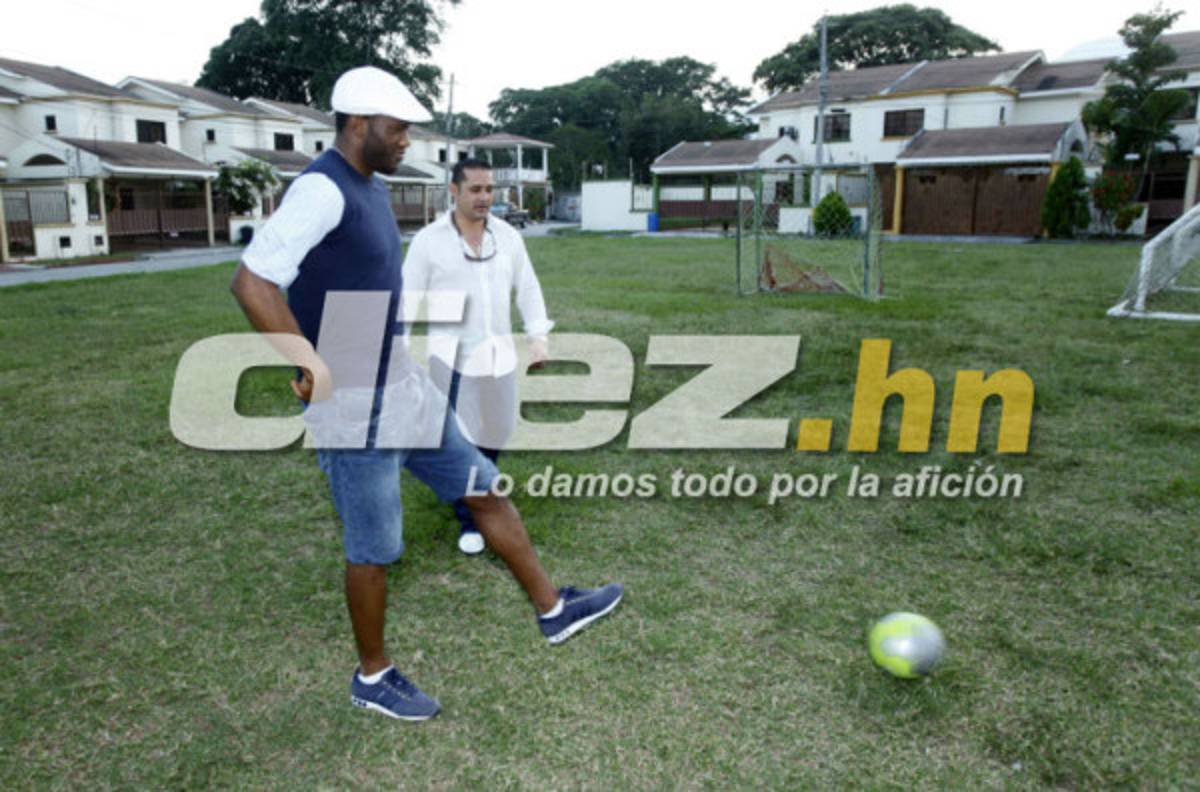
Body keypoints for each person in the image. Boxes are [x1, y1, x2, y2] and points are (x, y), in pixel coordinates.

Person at [228, 66, 622, 722]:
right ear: (359, 124)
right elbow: (253, 283)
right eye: (397, 127)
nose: (407, 138)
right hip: (353, 401)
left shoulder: (370, 186)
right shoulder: (322, 190)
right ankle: (372, 675)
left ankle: (554, 609)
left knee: (483, 484)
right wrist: (310, 365)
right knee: (374, 545)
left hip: (398, 378)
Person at [403, 157, 551, 556]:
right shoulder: (428, 241)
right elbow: (407, 301)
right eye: (476, 190)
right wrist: (398, 354)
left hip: (498, 356)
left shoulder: (507, 237)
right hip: (451, 360)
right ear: (454, 191)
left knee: (498, 429)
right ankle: (472, 518)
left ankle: (480, 491)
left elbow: (528, 287)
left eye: (489, 190)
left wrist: (538, 335)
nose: (484, 197)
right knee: (463, 437)